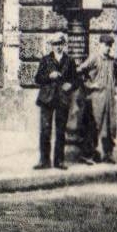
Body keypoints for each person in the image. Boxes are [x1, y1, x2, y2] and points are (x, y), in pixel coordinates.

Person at [33, 31, 78, 169]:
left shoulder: (69, 61)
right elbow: (37, 79)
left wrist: (70, 85)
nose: (58, 47)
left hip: (62, 99)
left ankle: (59, 161)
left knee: (60, 131)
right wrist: (49, 76)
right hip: (47, 99)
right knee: (45, 130)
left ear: (64, 45)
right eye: (55, 44)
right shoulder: (45, 60)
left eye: (60, 44)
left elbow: (76, 80)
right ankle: (44, 161)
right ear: (51, 46)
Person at [78, 33, 117, 163]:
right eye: (105, 45)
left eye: (110, 45)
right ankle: (88, 155)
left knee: (109, 126)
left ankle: (108, 154)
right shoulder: (94, 58)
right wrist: (90, 85)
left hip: (110, 99)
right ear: (100, 45)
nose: (108, 48)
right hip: (96, 99)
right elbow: (80, 71)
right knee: (94, 126)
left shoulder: (112, 61)